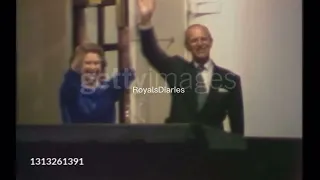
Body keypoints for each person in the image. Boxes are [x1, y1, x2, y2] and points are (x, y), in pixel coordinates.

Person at [136, 0, 244, 135]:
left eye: (203, 39)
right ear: (187, 46)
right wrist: (145, 21)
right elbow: (152, 53)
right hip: (179, 146)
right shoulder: (177, 69)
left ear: (210, 42)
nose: (200, 43)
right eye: (194, 40)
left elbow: (237, 128)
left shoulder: (230, 79)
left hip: (212, 149)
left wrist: (235, 154)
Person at [59, 43, 135, 123]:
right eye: (88, 63)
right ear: (79, 66)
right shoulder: (71, 90)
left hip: (106, 135)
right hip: (76, 135)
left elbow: (128, 73)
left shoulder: (108, 90)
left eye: (96, 63)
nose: (92, 67)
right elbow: (70, 80)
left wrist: (125, 42)